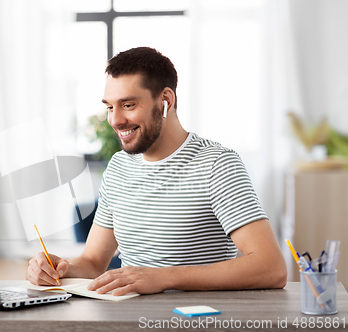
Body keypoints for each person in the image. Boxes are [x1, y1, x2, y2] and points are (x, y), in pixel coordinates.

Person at [27, 47, 287, 295]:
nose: (115, 120)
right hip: (128, 318)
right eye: (110, 107)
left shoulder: (217, 165)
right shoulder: (119, 167)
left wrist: (162, 277)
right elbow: (93, 262)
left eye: (128, 105)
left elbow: (271, 267)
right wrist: (59, 269)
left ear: (165, 100)